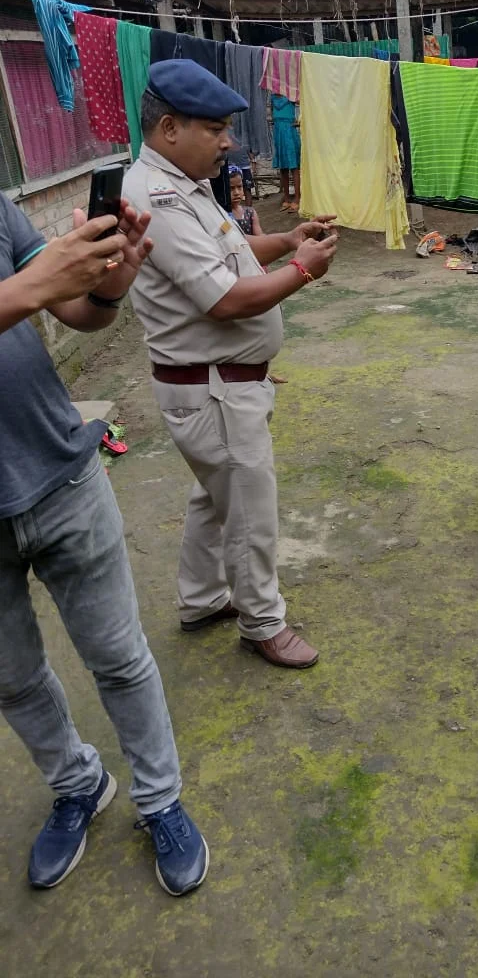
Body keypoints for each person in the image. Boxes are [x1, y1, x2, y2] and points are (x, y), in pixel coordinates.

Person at [0, 193, 207, 895]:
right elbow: (35, 290)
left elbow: (76, 311)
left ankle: (159, 800)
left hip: (61, 472)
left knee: (119, 657)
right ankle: (78, 785)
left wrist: (109, 286)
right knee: (13, 678)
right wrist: (31, 285)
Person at [124, 59, 337, 669]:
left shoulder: (181, 184)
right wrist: (303, 271)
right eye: (215, 129)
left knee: (215, 499)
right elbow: (223, 299)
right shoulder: (158, 196)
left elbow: (233, 254)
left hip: (218, 384)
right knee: (248, 509)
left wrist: (288, 242)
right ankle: (262, 623)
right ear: (170, 127)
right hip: (212, 387)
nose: (228, 142)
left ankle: (201, 598)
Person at [272, 94, 301, 212]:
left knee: (294, 167)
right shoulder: (272, 97)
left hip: (289, 132)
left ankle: (297, 198)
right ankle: (287, 198)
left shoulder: (292, 95)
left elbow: (304, 102)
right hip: (278, 133)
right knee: (283, 168)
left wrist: (299, 121)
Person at [228, 165, 262, 237]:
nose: (236, 192)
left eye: (239, 187)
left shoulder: (250, 212)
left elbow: (259, 236)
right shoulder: (221, 214)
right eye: (231, 188)